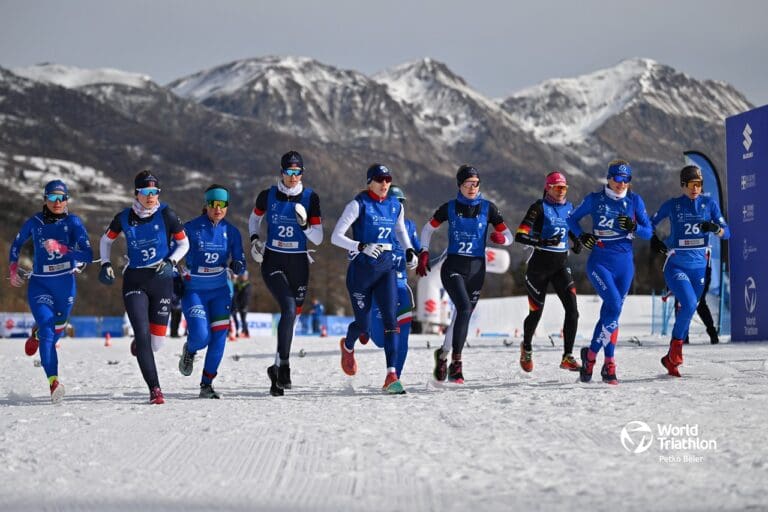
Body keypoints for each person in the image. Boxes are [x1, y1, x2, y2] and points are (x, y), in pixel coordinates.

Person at [98, 170, 189, 404]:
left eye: (154, 192)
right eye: (146, 192)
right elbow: (106, 240)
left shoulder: (167, 214)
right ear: (136, 193)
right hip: (135, 281)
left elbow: (183, 243)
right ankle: (155, 389)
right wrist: (106, 263)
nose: (151, 196)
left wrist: (171, 261)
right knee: (141, 331)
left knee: (155, 343)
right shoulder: (124, 217)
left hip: (161, 281)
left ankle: (141, 344)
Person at [417, 165, 513, 384]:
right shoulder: (449, 207)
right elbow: (427, 229)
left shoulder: (489, 208)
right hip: (453, 267)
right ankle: (456, 364)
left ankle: (442, 354)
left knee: (463, 315)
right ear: (459, 185)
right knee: (464, 308)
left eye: (476, 183)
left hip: (477, 269)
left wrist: (503, 240)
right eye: (468, 183)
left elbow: (508, 235)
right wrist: (424, 251)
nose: (472, 188)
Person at [331, 164, 418, 394]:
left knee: (392, 322)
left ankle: (391, 375)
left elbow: (400, 231)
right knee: (363, 326)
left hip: (386, 269)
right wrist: (360, 246)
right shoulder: (358, 204)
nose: (385, 184)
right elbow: (335, 237)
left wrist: (409, 250)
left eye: (388, 179)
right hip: (361, 273)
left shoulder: (395, 206)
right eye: (380, 179)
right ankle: (348, 346)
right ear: (370, 181)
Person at [567, 160, 652, 385]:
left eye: (626, 180)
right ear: (609, 178)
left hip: (625, 265)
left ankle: (591, 357)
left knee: (610, 314)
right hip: (600, 263)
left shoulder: (634, 201)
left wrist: (634, 227)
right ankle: (610, 363)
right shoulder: (595, 199)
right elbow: (571, 219)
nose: (621, 184)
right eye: (617, 178)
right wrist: (581, 235)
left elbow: (649, 232)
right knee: (614, 306)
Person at [8, 180, 93, 403]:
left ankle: (36, 335)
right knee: (48, 330)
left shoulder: (73, 222)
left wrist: (64, 250)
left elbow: (87, 254)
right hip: (40, 284)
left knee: (56, 331)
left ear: (67, 201)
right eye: (53, 198)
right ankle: (53, 382)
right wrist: (13, 267)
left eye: (62, 198)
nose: (57, 202)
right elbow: (16, 245)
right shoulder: (35, 222)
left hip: (65, 285)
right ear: (45, 199)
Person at [249, 151, 323, 397]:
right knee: (288, 309)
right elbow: (254, 218)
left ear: (302, 173)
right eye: (289, 172)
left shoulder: (311, 198)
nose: (293, 177)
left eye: (297, 172)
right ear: (281, 172)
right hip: (273, 260)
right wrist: (254, 240)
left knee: (292, 318)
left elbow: (318, 238)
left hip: (299, 263)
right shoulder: (267, 195)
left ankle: (276, 370)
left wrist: (305, 226)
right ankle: (286, 367)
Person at [651, 165, 729, 377]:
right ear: (683, 185)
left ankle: (670, 357)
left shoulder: (709, 204)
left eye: (699, 184)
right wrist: (654, 240)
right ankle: (676, 354)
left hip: (699, 270)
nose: (696, 189)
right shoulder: (674, 205)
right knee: (688, 302)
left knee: (690, 307)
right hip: (676, 265)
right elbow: (650, 223)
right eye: (692, 184)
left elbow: (727, 233)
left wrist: (715, 229)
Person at [178, 184, 246, 398]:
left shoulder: (232, 232)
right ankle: (190, 349)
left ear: (227, 206)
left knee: (219, 338)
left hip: (219, 290)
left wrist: (238, 265)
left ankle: (206, 384)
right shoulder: (190, 228)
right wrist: (173, 277)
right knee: (201, 335)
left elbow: (240, 260)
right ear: (206, 205)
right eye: (213, 204)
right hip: (194, 290)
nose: (218, 209)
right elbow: (173, 253)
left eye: (222, 204)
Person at [514, 171, 582, 372]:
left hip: (561, 266)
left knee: (573, 311)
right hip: (538, 269)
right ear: (548, 188)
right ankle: (526, 347)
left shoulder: (569, 208)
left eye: (564, 188)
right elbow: (520, 235)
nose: (561, 191)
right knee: (536, 313)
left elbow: (569, 227)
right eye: (557, 187)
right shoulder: (538, 208)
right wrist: (541, 242)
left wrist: (576, 240)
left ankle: (567, 356)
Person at [367, 185, 421, 377]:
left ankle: (394, 377)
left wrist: (416, 258)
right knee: (380, 340)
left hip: (400, 286)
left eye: (401, 203)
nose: (398, 206)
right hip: (379, 286)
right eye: (394, 202)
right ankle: (363, 327)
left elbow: (418, 251)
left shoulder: (409, 226)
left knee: (403, 337)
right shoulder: (374, 223)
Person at [231, 271, 251, 338]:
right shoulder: (239, 284)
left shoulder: (247, 285)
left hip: (244, 305)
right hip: (239, 304)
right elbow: (236, 293)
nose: (243, 277)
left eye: (245, 276)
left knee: (243, 319)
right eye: (243, 276)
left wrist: (245, 305)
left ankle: (245, 332)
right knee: (241, 319)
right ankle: (244, 332)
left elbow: (246, 296)